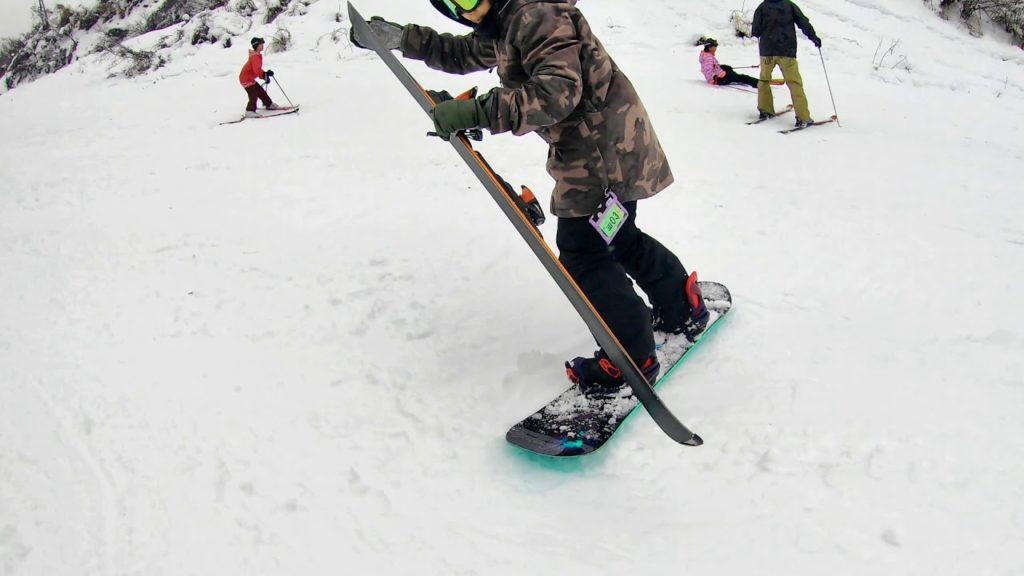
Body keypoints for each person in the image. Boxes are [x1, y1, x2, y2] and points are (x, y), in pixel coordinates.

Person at [350, 0, 710, 393]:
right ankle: (681, 304)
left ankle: (630, 358)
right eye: (453, 3)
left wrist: (478, 111)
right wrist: (403, 38)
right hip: (607, 144)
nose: (465, 10)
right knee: (618, 236)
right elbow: (465, 52)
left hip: (601, 151)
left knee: (584, 252)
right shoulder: (508, 20)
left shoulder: (536, 15)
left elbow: (557, 93)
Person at [751, 0, 821, 127]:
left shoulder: (762, 6)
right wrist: (813, 37)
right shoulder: (789, 5)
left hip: (767, 51)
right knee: (794, 84)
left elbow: (755, 30)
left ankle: (765, 110)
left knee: (764, 80)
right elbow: (803, 22)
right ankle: (803, 117)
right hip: (786, 51)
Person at [238, 37, 281, 117]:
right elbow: (256, 70)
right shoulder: (255, 57)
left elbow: (257, 69)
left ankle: (268, 104)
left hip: (249, 78)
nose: (263, 45)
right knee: (253, 94)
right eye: (261, 44)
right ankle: (250, 110)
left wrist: (265, 74)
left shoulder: (256, 56)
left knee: (260, 91)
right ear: (257, 45)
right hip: (245, 79)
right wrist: (264, 75)